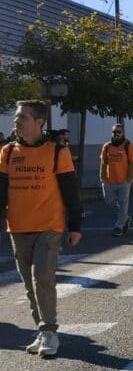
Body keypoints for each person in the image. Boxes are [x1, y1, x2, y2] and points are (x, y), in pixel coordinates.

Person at [0, 100, 81, 357]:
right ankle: (41, 329)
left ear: (39, 122)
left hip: (49, 226)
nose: (17, 121)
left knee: (42, 279)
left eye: (23, 117)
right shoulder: (7, 152)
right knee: (28, 284)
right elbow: (1, 192)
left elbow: (70, 191)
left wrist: (75, 226)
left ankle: (49, 332)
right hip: (18, 227)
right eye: (16, 116)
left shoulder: (57, 151)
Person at [100, 123, 133, 237]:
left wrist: (130, 177)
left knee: (123, 203)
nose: (116, 134)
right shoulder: (107, 146)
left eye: (118, 132)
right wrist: (102, 177)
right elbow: (103, 162)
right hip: (109, 180)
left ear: (123, 133)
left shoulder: (129, 146)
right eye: (114, 132)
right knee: (109, 201)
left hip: (124, 181)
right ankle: (124, 217)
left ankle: (119, 226)